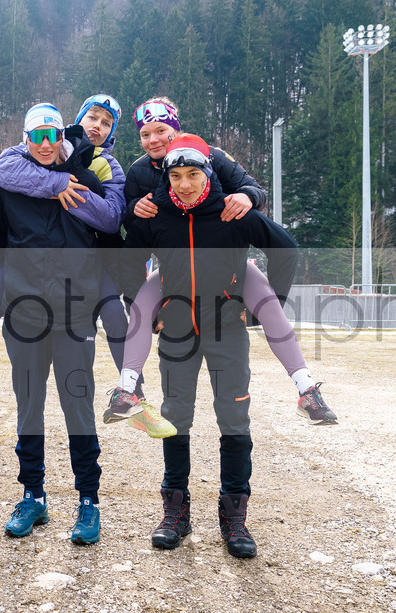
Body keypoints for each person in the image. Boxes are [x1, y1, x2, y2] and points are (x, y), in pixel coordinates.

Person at [0, 95, 176, 435]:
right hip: (26, 261)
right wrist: (54, 184)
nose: (97, 126)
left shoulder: (105, 168)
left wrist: (72, 194)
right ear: (76, 122)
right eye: (92, 118)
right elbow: (2, 172)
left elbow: (112, 218)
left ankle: (133, 396)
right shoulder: (22, 159)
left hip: (88, 260)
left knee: (115, 317)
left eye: (106, 123)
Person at [108, 98, 337, 429]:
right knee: (141, 310)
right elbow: (131, 223)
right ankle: (125, 390)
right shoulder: (139, 170)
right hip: (176, 268)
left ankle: (307, 390)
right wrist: (135, 210)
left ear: (177, 130)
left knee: (270, 307)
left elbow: (254, 192)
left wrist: (246, 197)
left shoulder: (213, 156)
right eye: (145, 134)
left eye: (161, 131)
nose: (154, 140)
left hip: (226, 264)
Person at [124, 134, 300, 556]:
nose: (184, 184)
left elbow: (287, 250)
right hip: (178, 330)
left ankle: (234, 517)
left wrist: (260, 309)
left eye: (193, 174)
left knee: (234, 418)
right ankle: (175, 513)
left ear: (207, 173)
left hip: (227, 330)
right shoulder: (157, 214)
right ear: (167, 179)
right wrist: (148, 308)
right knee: (174, 416)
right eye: (176, 177)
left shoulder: (231, 211)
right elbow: (125, 259)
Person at [0, 103, 106, 545]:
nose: (46, 144)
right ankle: (33, 496)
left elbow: (108, 238)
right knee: (29, 407)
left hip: (74, 316)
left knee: (78, 407)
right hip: (25, 315)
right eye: (37, 136)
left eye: (53, 135)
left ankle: (88, 501)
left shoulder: (83, 180)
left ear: (62, 137)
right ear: (26, 138)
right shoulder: (11, 186)